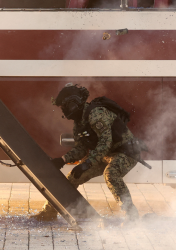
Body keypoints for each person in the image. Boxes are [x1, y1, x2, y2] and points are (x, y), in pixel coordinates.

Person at [31, 83, 148, 224]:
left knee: (111, 174)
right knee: (73, 177)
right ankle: (49, 212)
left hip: (126, 153)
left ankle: (132, 217)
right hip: (105, 155)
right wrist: (62, 160)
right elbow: (81, 149)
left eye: (66, 106)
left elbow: (105, 143)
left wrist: (87, 164)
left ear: (74, 103)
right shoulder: (79, 123)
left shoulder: (96, 114)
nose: (64, 111)